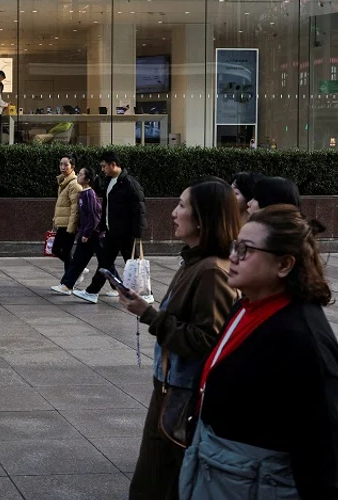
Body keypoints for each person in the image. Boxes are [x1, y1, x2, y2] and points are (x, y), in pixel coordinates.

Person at [179, 205, 338, 498]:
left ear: (284, 265)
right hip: (219, 471)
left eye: (246, 249)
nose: (234, 257)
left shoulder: (302, 337)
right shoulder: (245, 305)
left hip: (256, 484)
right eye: (235, 246)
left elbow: (321, 445)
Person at [118, 178, 240, 499]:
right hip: (169, 390)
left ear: (203, 219)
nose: (174, 213)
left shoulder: (212, 271)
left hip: (181, 397)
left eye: (182, 206)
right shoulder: (195, 262)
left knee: (158, 483)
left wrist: (149, 314)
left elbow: (206, 339)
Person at [73, 151, 147, 303]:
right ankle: (92, 292)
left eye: (104, 166)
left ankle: (146, 293)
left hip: (126, 233)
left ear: (113, 164)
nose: (102, 169)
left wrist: (137, 234)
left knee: (133, 263)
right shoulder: (109, 181)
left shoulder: (129, 183)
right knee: (105, 263)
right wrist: (102, 227)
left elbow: (139, 210)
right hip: (112, 231)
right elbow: (106, 207)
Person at [51, 167, 100, 294]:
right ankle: (67, 285)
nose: (78, 175)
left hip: (92, 235)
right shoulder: (84, 193)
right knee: (78, 260)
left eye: (81, 174)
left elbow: (94, 217)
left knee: (104, 262)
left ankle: (68, 285)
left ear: (87, 179)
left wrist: (86, 233)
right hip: (86, 234)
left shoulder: (89, 195)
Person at [50, 153, 81, 272]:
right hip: (63, 223)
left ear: (72, 166)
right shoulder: (63, 182)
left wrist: (72, 226)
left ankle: (69, 279)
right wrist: (55, 221)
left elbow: (76, 207)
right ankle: (72, 273)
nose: (63, 167)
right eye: (61, 164)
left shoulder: (74, 184)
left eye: (66, 165)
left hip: (69, 224)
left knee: (63, 251)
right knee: (58, 250)